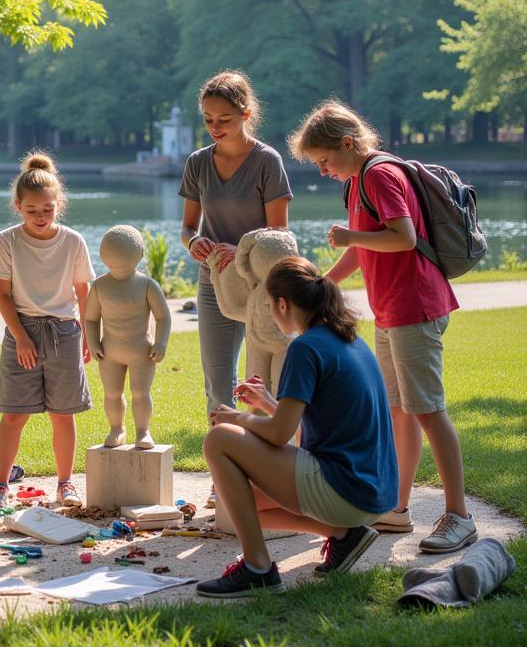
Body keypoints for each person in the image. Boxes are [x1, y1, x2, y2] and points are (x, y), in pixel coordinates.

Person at [289, 101, 474, 554]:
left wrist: (351, 236)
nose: (323, 171)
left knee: (428, 409)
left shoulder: (377, 174)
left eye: (325, 161)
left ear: (348, 144)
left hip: (417, 306)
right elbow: (362, 251)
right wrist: (322, 284)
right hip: (392, 309)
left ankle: (460, 516)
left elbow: (403, 237)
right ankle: (397, 507)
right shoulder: (356, 183)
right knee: (399, 410)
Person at [196, 256, 398, 598]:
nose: (271, 313)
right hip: (371, 490)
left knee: (219, 440)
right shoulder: (345, 337)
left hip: (346, 486)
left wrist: (238, 419)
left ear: (283, 304)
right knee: (245, 503)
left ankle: (258, 567)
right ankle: (344, 534)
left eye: (270, 304)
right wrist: (265, 405)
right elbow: (315, 420)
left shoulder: (304, 347)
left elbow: (277, 433)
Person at [179, 70, 292, 506]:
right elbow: (188, 227)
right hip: (213, 282)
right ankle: (222, 474)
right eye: (208, 118)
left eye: (224, 118)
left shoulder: (267, 162)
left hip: (264, 288)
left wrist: (240, 247)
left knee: (260, 382)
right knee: (217, 381)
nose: (215, 126)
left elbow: (281, 234)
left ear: (246, 114)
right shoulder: (197, 163)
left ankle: (262, 470)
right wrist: (195, 242)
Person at [0, 151, 95, 511]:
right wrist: (21, 336)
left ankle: (65, 483)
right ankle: (0, 486)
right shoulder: (7, 241)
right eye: (32, 210)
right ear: (18, 206)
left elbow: (83, 292)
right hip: (22, 329)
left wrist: (89, 336)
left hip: (64, 332)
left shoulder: (74, 241)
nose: (40, 216)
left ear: (58, 204)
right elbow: (2, 295)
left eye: (47, 209)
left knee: (63, 414)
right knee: (14, 413)